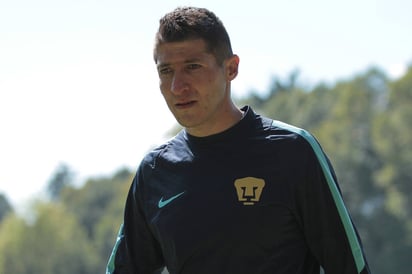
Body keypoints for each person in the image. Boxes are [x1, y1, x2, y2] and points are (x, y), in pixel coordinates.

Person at [106, 6, 371, 274]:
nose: (178, 87)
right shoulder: (154, 172)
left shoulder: (293, 151)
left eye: (192, 67)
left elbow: (349, 266)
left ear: (231, 68)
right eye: (166, 71)